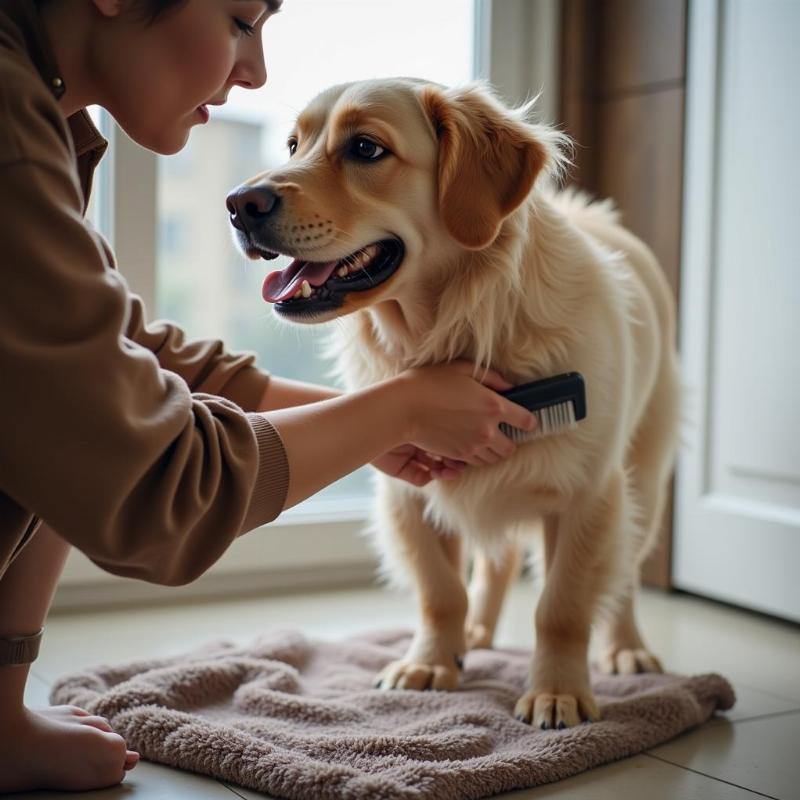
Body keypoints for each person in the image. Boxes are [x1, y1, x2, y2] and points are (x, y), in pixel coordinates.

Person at [0, 0, 537, 791]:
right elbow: (154, 493)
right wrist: (401, 408)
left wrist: (374, 425)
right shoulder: (13, 137)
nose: (255, 70)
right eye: (242, 19)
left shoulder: (37, 109)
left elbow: (104, 362)